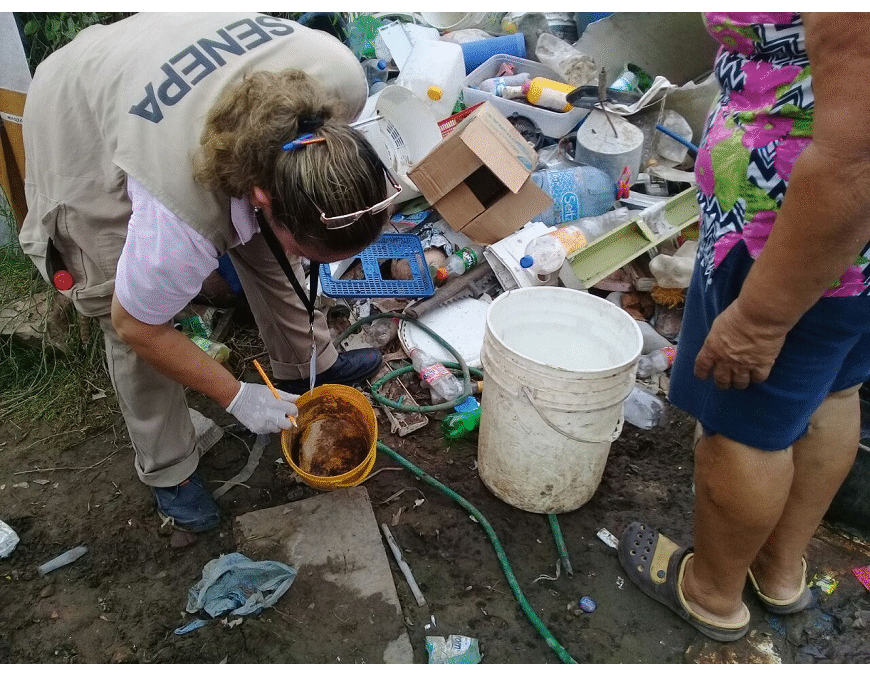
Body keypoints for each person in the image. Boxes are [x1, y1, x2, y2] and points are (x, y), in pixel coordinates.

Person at [18, 12, 399, 533]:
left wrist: (296, 239)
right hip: (80, 106)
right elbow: (137, 324)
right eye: (315, 254)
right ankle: (169, 468)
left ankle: (307, 367)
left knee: (273, 244)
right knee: (123, 307)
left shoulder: (338, 82)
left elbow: (288, 214)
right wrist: (234, 395)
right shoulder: (180, 214)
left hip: (167, 63)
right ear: (262, 196)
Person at [618, 12, 870, 642]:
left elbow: (855, 162)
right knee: (832, 390)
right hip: (856, 261)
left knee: (743, 425)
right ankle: (779, 570)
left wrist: (761, 318)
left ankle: (712, 593)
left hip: (790, 245)